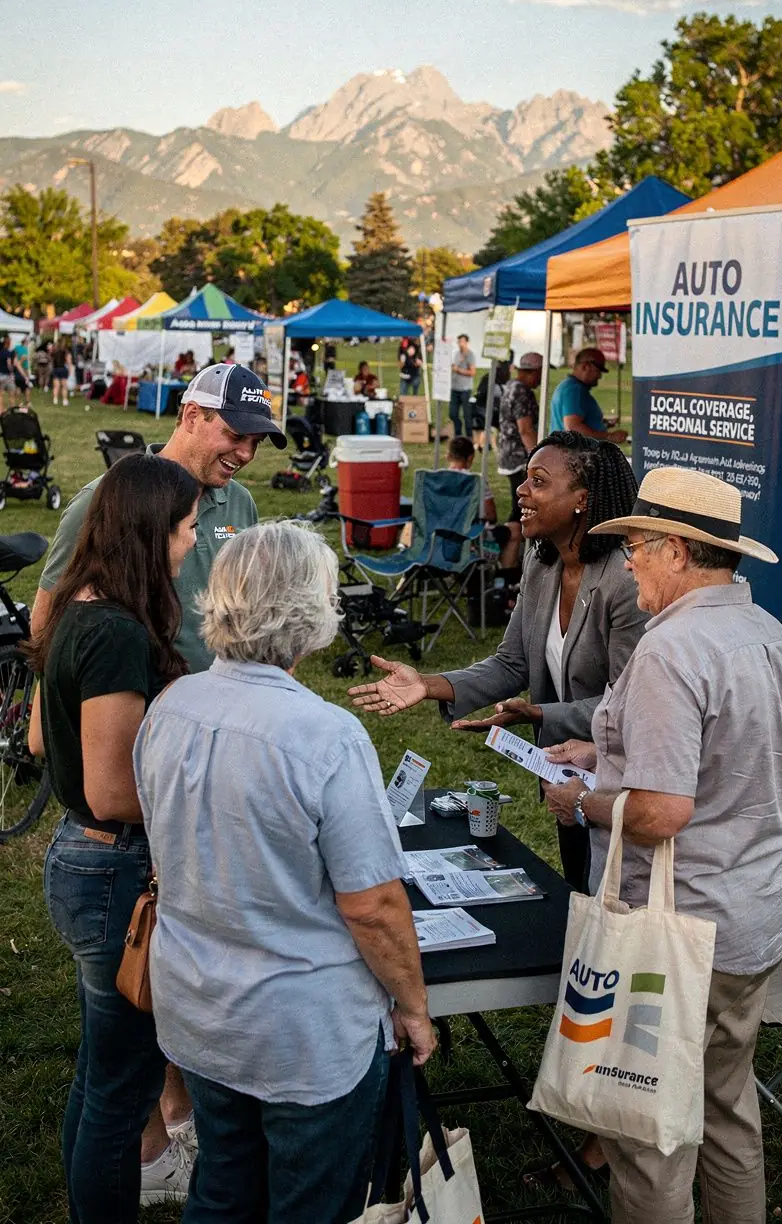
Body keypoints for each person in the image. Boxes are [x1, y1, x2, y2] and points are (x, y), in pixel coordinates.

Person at [134, 522, 436, 1224]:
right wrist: (415, 1009)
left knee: (225, 1184)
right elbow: (374, 905)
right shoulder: (324, 734)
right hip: (303, 1034)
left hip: (202, 1011)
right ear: (312, 610)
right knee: (308, 1203)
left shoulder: (170, 708)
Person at [542, 466, 782, 1224]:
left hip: (678, 931)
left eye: (635, 546)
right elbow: (776, 768)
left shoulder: (670, 651)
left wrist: (583, 800)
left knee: (650, 1138)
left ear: (674, 551)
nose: (627, 562)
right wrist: (602, 753)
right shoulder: (772, 637)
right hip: (752, 919)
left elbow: (662, 812)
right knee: (727, 1113)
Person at [350, 432, 646, 897]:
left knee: (615, 909)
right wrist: (427, 684)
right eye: (525, 479)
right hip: (562, 772)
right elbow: (512, 661)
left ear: (582, 500)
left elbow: (630, 703)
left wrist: (541, 714)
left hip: (621, 778)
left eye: (538, 481)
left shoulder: (623, 581)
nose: (521, 491)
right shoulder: (541, 562)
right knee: (578, 894)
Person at [26, 453, 201, 1221]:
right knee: (122, 1088)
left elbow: (37, 740)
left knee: (101, 1073)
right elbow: (110, 790)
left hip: (81, 858)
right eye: (189, 526)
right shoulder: (117, 633)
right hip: (113, 870)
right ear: (151, 531)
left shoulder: (73, 606)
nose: (195, 541)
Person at [31, 363, 286, 669]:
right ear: (192, 416)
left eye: (255, 443)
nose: (246, 454)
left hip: (220, 706)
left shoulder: (240, 502)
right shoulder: (105, 500)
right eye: (235, 435)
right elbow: (46, 624)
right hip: (136, 707)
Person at [497, 352, 543, 569]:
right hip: (519, 457)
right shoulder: (522, 391)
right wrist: (539, 457)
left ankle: (510, 559)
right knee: (520, 510)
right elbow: (525, 429)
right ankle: (508, 565)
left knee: (518, 508)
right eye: (540, 373)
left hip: (507, 453)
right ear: (532, 372)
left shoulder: (510, 386)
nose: (541, 378)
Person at [549, 346, 627, 442]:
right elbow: (573, 428)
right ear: (585, 366)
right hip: (572, 453)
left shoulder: (569, 386)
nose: (599, 376)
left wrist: (603, 423)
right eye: (597, 371)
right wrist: (609, 436)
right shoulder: (574, 390)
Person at [449, 333, 476, 438]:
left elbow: (472, 372)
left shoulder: (470, 355)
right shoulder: (456, 354)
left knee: (467, 414)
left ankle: (469, 436)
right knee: (453, 413)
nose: (461, 344)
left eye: (463, 342)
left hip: (465, 389)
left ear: (467, 343)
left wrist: (458, 370)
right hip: (454, 388)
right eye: (459, 342)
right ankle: (458, 432)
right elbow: (453, 366)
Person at [52, 336, 73, 407]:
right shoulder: (66, 351)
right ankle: (64, 400)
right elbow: (68, 361)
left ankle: (55, 400)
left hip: (55, 369)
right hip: (63, 369)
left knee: (56, 386)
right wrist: (70, 370)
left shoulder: (54, 351)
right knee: (64, 386)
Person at [0, 334, 16, 402]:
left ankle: (1, 411)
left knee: (1, 395)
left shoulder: (0, 352)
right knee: (11, 394)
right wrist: (12, 371)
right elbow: (9, 364)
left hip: (0, 375)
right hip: (7, 376)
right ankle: (12, 410)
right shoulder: (8, 353)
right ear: (8, 343)